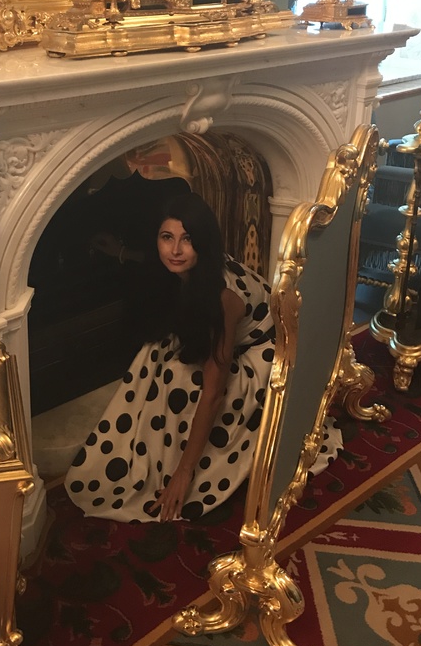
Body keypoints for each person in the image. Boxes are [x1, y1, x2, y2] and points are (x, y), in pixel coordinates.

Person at [65, 192, 340, 523]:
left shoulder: (224, 297)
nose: (176, 250)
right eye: (167, 237)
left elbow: (213, 393)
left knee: (181, 380)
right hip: (237, 339)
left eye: (187, 239)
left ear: (203, 242)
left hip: (270, 353)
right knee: (156, 352)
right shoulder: (195, 265)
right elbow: (158, 260)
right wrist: (121, 252)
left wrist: (184, 472)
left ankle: (181, 466)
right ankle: (144, 451)